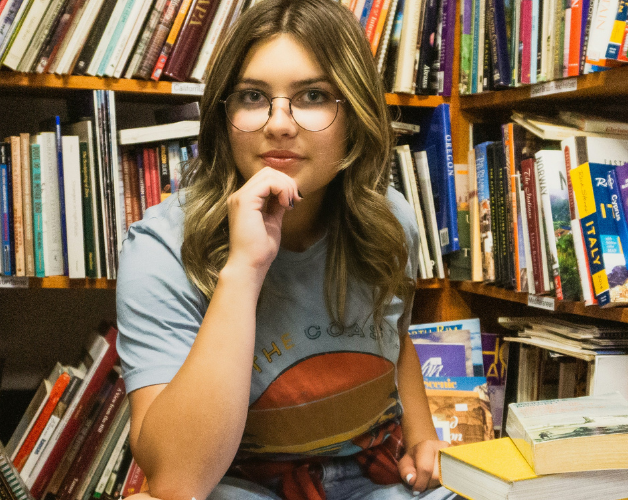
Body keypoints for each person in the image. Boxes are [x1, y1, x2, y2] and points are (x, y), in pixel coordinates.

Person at [114, 0, 455, 499]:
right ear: (224, 116)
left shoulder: (391, 218)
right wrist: (243, 270)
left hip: (373, 471)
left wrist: (423, 437)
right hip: (237, 481)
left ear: (356, 115)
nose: (279, 124)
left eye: (313, 95)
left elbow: (393, 331)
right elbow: (177, 482)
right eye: (253, 96)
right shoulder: (161, 248)